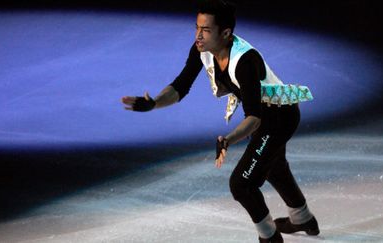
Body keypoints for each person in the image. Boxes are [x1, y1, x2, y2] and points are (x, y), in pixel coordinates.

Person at [122, 0, 319, 242]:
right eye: (197, 27)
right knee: (274, 167)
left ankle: (269, 237)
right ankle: (302, 218)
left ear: (225, 33)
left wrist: (228, 139)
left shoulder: (245, 61)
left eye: (205, 30)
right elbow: (180, 86)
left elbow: (255, 118)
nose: (198, 35)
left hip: (278, 117)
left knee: (242, 185)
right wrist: (154, 103)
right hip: (264, 117)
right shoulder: (202, 49)